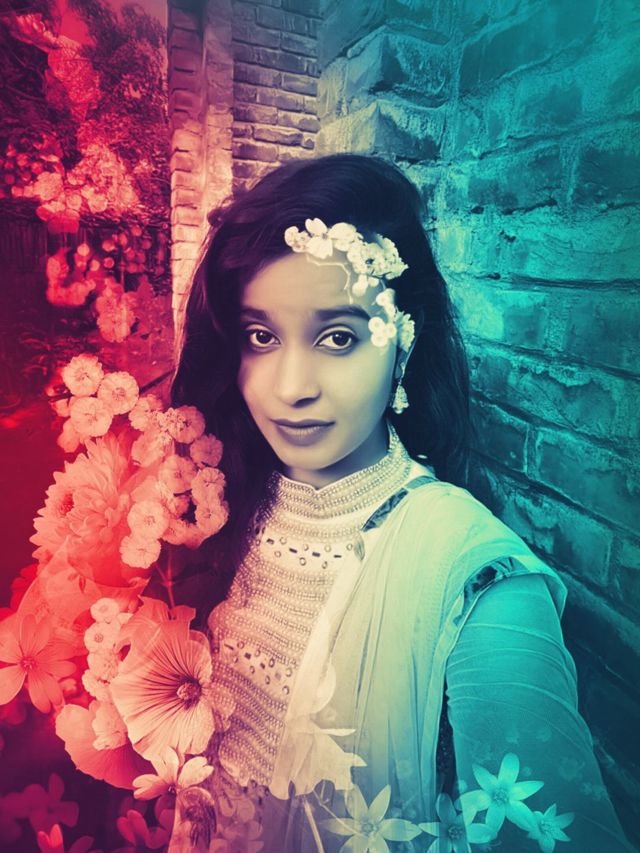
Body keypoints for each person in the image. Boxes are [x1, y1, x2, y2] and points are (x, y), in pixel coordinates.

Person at [167, 154, 633, 852]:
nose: (290, 387)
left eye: (339, 337)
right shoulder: (216, 505)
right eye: (261, 336)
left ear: (404, 343)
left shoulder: (479, 585)